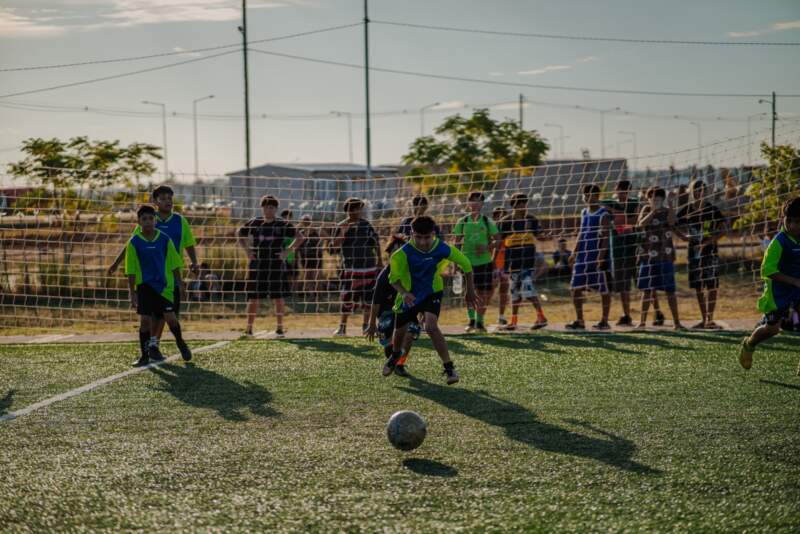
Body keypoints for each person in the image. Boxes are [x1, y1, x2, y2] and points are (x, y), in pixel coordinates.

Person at [386, 215, 479, 384]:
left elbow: (466, 265)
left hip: (432, 291)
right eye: (418, 237)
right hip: (409, 295)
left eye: (427, 237)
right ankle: (395, 355)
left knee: (431, 326)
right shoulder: (401, 254)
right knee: (400, 330)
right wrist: (405, 293)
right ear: (411, 234)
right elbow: (393, 280)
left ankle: (449, 368)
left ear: (433, 234)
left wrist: (470, 290)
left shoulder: (442, 248)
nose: (422, 242)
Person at [109, 185, 199, 343]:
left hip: (171, 275)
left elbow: (189, 244)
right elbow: (132, 244)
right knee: (151, 315)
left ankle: (154, 344)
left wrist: (194, 263)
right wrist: (116, 263)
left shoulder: (180, 221)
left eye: (170, 198)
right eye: (163, 198)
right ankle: (152, 344)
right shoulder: (148, 219)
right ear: (155, 201)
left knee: (165, 314)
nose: (167, 201)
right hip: (150, 275)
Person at [739, 196, 800, 376]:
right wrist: (794, 281)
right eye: (789, 221)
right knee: (772, 329)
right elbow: (767, 270)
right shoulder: (778, 242)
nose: (793, 226)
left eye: (797, 222)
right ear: (783, 219)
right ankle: (749, 344)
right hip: (778, 291)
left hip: (798, 290)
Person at [125, 204, 191, 366]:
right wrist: (132, 292)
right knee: (145, 321)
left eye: (151, 218)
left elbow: (175, 264)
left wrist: (180, 285)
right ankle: (144, 356)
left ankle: (180, 342)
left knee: (171, 319)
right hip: (145, 287)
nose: (148, 221)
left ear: (155, 221)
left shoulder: (164, 239)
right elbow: (131, 269)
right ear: (139, 222)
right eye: (144, 219)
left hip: (164, 287)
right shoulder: (134, 242)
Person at [237, 195, 304, 338]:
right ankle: (249, 328)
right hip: (258, 263)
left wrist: (286, 252)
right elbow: (239, 233)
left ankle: (280, 328)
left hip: (276, 264)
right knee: (253, 297)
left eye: (272, 207)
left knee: (278, 296)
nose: (269, 210)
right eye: (266, 207)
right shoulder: (255, 222)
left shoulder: (282, 224)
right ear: (262, 208)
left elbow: (300, 237)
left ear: (276, 209)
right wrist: (248, 251)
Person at [364, 237, 421, 377]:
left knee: (409, 333)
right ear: (389, 255)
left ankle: (400, 364)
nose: (398, 256)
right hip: (387, 313)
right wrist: (371, 324)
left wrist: (423, 312)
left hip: (406, 309)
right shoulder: (384, 276)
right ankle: (392, 356)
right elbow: (376, 302)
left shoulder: (413, 272)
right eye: (394, 252)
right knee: (390, 342)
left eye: (401, 252)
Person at [676, 180, 727, 329]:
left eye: (702, 190)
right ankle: (703, 319)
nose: (700, 193)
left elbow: (724, 229)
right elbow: (672, 223)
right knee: (698, 286)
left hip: (710, 253)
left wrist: (710, 240)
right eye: (696, 190)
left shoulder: (713, 210)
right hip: (694, 253)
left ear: (707, 192)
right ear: (692, 192)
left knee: (712, 285)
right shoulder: (686, 210)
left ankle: (710, 319)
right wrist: (683, 236)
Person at [497, 192, 551, 331]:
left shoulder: (531, 219)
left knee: (528, 291)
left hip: (527, 261)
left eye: (524, 204)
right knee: (514, 293)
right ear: (514, 205)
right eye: (520, 204)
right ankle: (513, 321)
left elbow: (539, 236)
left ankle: (541, 317)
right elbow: (498, 240)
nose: (523, 207)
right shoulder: (506, 221)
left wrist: (546, 236)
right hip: (513, 262)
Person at [635, 187, 685, 330]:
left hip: (666, 255)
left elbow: (672, 222)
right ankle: (642, 322)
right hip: (648, 256)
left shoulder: (668, 210)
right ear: (648, 199)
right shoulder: (646, 209)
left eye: (658, 199)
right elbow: (641, 224)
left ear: (662, 200)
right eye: (652, 199)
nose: (655, 201)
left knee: (670, 290)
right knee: (646, 290)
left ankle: (677, 323)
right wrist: (653, 211)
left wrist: (670, 205)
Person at [452, 191, 501, 333]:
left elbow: (498, 240)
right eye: (473, 201)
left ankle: (480, 322)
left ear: (482, 204)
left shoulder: (487, 221)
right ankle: (471, 320)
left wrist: (487, 247)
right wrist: (455, 264)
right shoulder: (462, 222)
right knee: (469, 292)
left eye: (478, 201)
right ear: (468, 203)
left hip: (484, 263)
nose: (475, 203)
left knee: (484, 293)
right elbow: (456, 244)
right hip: (467, 263)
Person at [333, 198, 382, 336]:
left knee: (368, 299)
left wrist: (379, 260)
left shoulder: (366, 225)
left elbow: (376, 243)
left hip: (368, 267)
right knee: (347, 298)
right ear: (349, 210)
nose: (359, 211)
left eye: (360, 209)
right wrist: (343, 232)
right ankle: (342, 327)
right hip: (350, 269)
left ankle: (366, 325)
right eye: (356, 209)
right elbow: (334, 246)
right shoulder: (341, 225)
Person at [567, 184, 612, 330]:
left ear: (597, 196)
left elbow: (605, 237)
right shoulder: (584, 212)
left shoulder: (603, 214)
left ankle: (604, 321)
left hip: (597, 257)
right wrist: (574, 252)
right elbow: (581, 232)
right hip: (582, 257)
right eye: (585, 195)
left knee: (603, 290)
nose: (587, 197)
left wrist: (601, 256)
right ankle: (580, 321)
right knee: (575, 288)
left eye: (591, 195)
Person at [602, 180, 641, 326]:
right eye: (620, 190)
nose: (622, 193)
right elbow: (598, 204)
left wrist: (617, 215)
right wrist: (619, 215)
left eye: (625, 191)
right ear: (616, 189)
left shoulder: (634, 202)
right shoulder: (609, 202)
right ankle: (626, 314)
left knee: (642, 282)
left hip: (633, 248)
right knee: (622, 285)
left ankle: (656, 313)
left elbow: (635, 219)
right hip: (617, 249)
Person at [492, 206, 511, 326]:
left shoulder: (509, 231)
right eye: (498, 215)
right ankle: (479, 318)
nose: (501, 217)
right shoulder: (490, 231)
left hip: (505, 266)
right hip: (492, 265)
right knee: (487, 292)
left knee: (504, 291)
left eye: (503, 215)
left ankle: (501, 316)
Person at [297, 214, 323, 296]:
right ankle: (311, 294)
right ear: (301, 222)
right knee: (308, 276)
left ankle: (319, 294)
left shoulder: (317, 231)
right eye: (304, 220)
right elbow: (297, 244)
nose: (306, 222)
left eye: (308, 220)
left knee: (317, 276)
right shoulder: (300, 233)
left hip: (316, 257)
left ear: (311, 221)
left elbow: (327, 238)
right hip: (305, 257)